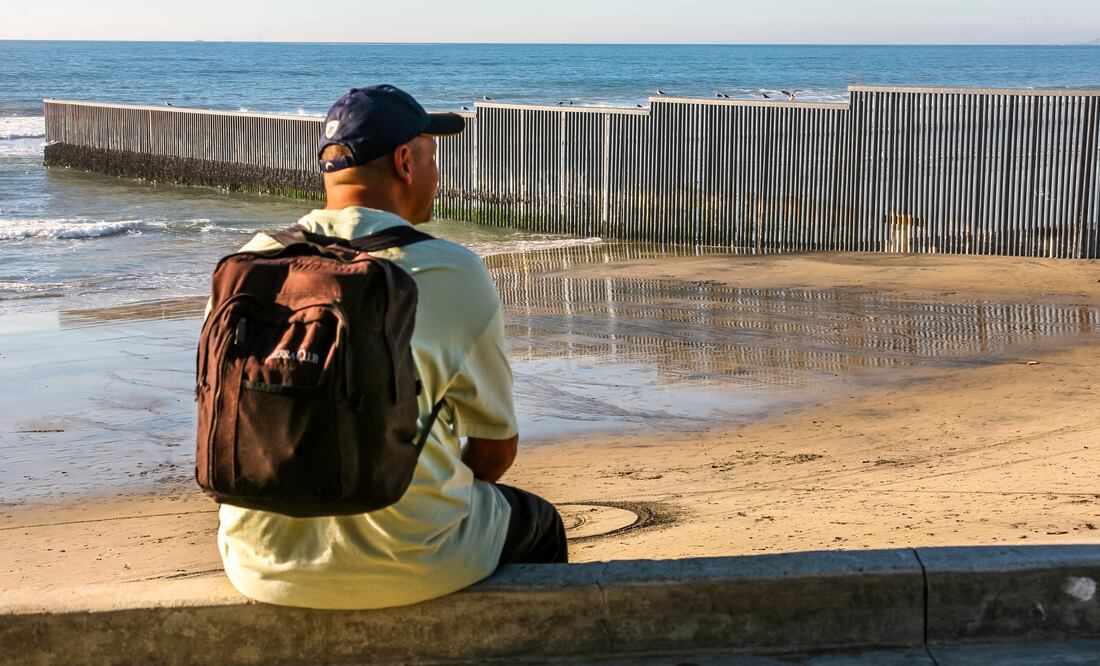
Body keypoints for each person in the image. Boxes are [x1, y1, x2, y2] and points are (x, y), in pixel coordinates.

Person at [216, 85, 567, 610]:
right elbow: (496, 449)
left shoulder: (249, 263)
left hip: (257, 563)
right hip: (410, 562)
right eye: (432, 155)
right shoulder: (451, 271)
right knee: (541, 525)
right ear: (404, 161)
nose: (437, 172)